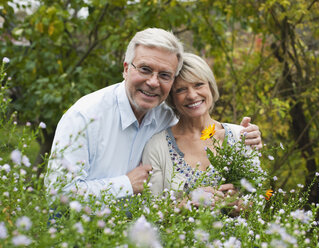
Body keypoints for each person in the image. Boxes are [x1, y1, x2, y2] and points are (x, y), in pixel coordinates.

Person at [45, 28, 262, 201]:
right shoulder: (84, 117)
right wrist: (126, 184)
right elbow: (57, 193)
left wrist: (247, 135)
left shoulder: (166, 116)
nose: (153, 82)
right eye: (145, 69)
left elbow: (200, 126)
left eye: (165, 75)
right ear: (126, 68)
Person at [142, 53, 260, 197]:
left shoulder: (241, 136)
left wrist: (235, 204)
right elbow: (151, 208)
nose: (192, 95)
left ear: (210, 86)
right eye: (181, 89)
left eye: (198, 85)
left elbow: (258, 201)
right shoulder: (157, 146)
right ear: (172, 98)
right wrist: (186, 205)